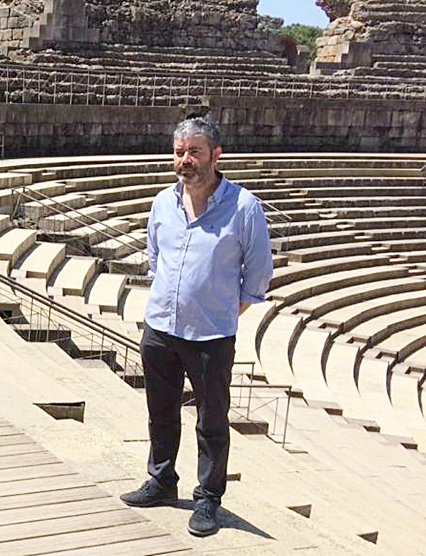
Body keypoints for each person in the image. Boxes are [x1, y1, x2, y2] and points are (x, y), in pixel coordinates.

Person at [120, 117, 274, 537]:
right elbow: (156, 257)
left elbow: (258, 276)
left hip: (211, 336)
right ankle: (161, 480)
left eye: (195, 152)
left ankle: (207, 499)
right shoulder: (161, 203)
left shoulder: (244, 207)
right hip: (160, 329)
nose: (185, 160)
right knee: (161, 412)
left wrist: (221, 311)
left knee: (211, 421)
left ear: (216, 155)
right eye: (179, 152)